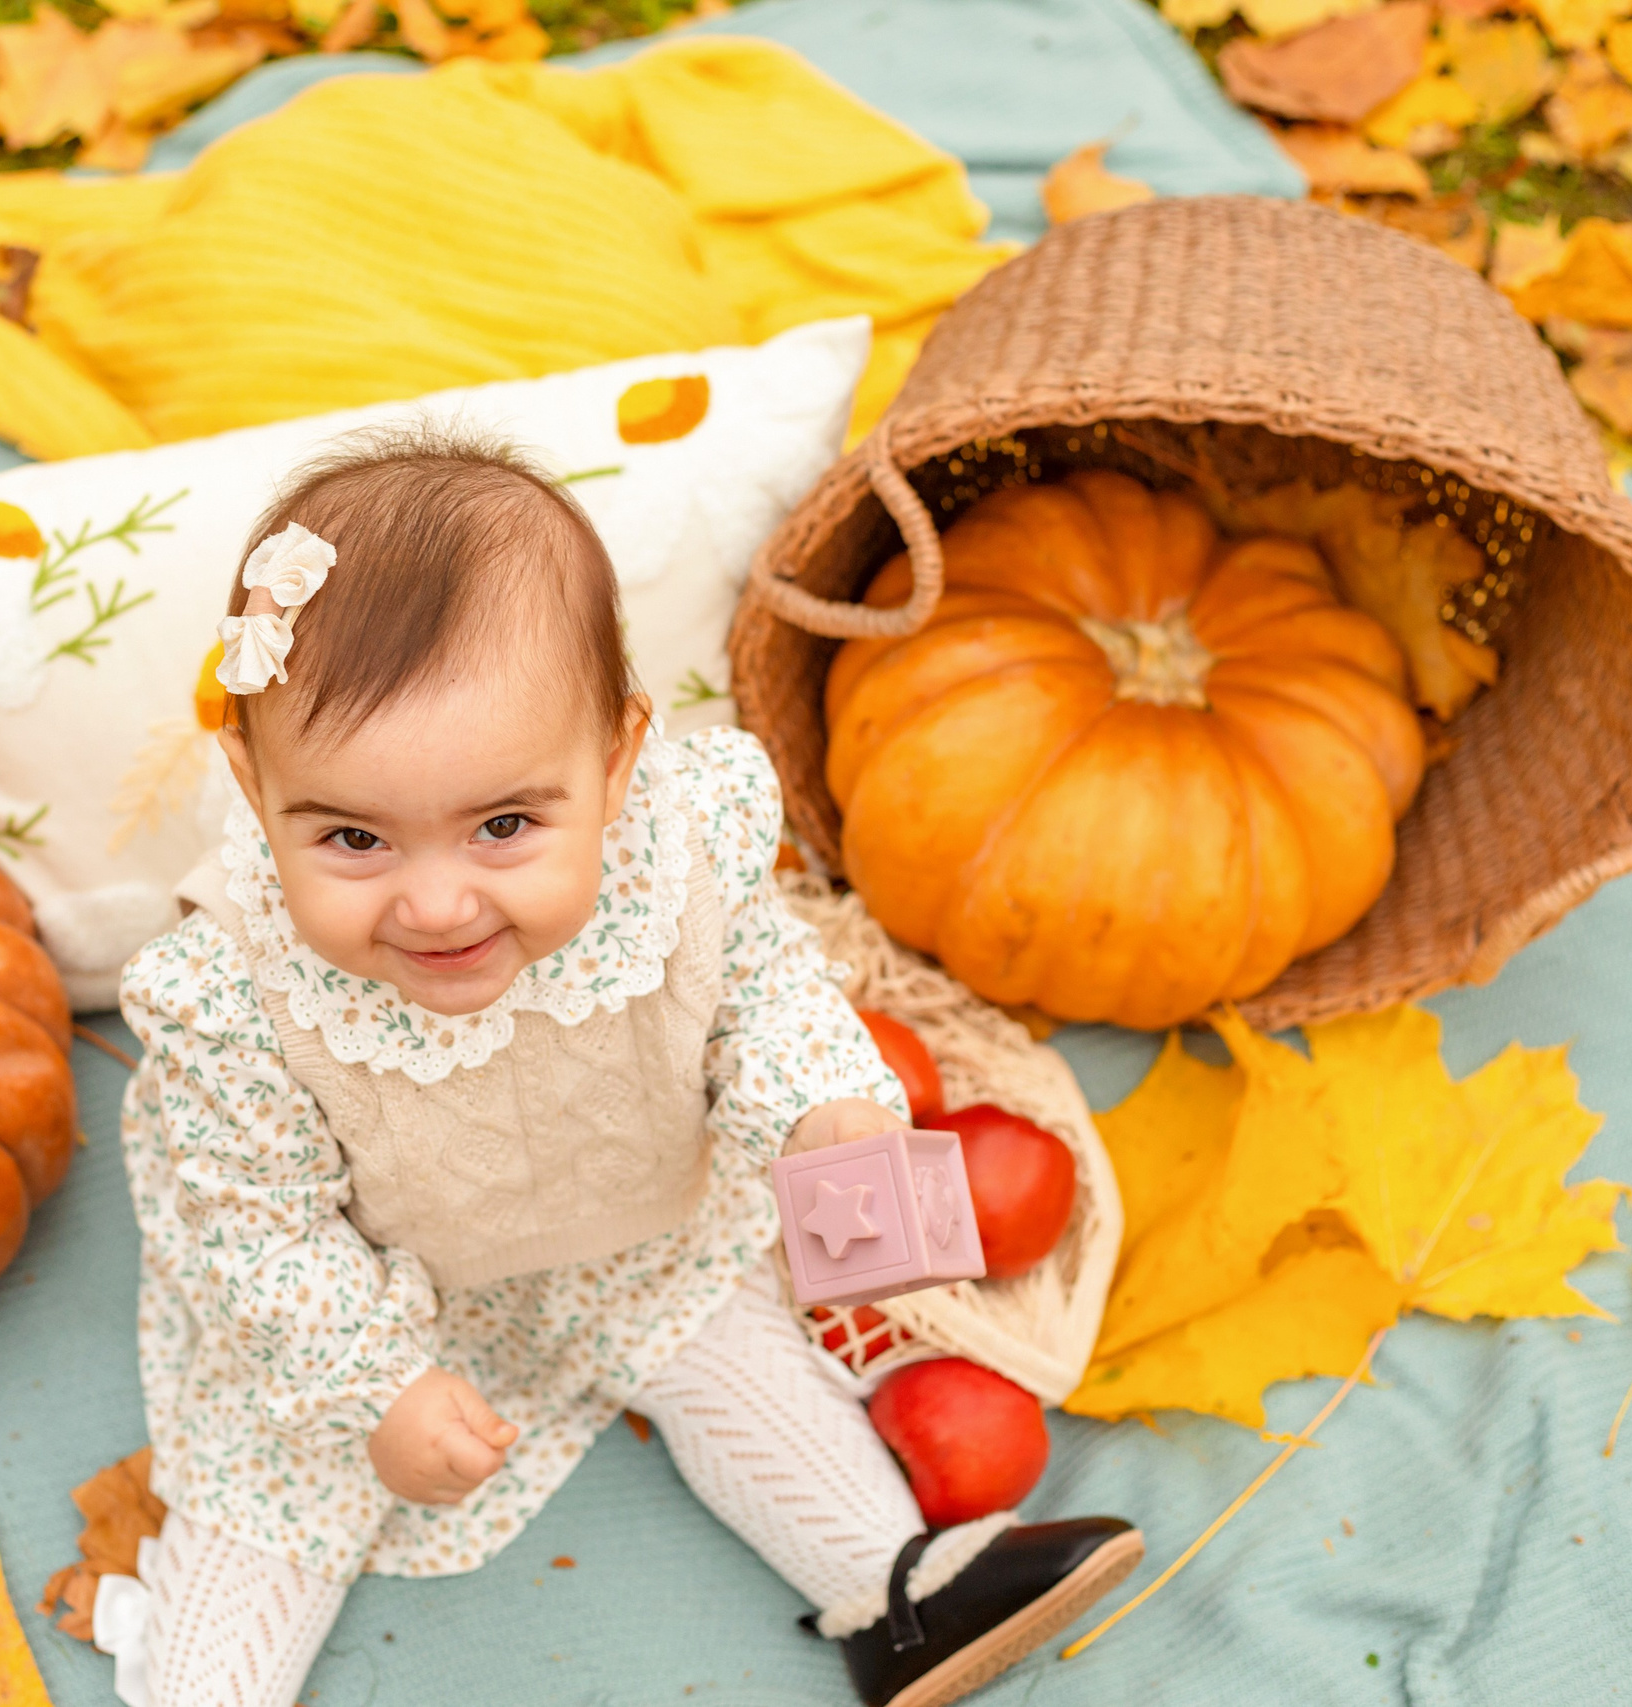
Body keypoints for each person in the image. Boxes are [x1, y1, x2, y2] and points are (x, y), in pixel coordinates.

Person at [114, 426, 1140, 1707]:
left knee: (735, 1354)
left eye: (504, 825)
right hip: (371, 1283)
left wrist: (825, 1107)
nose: (436, 903)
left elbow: (762, 991)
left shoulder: (680, 857)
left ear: (614, 760)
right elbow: (254, 1230)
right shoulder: (231, 992)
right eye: (353, 837)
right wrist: (379, 1387)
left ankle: (894, 1592)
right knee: (277, 1482)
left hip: (627, 1226)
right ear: (255, 786)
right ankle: (204, 1688)